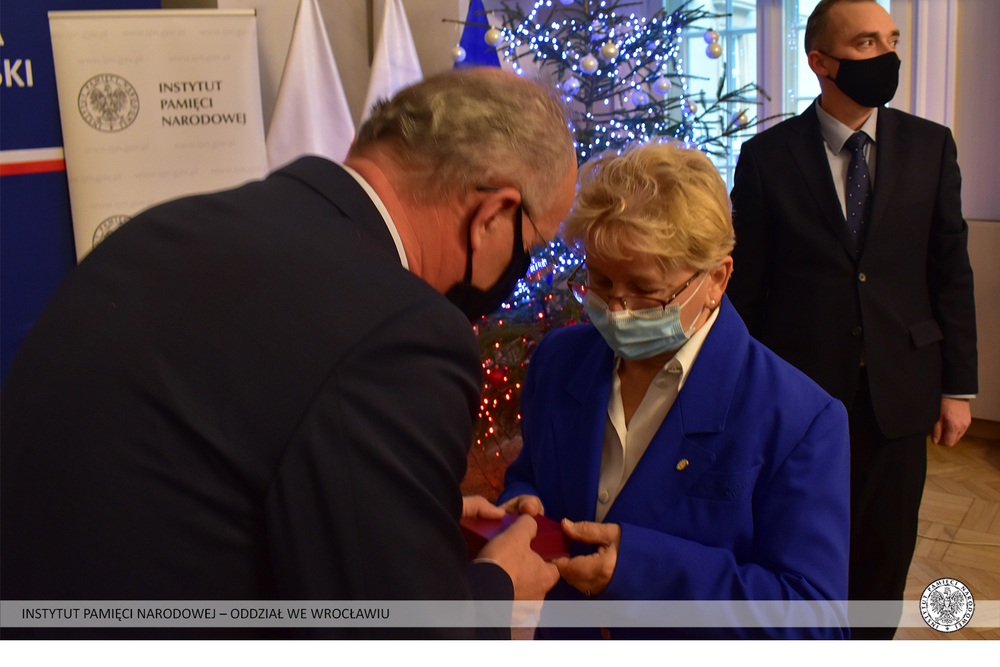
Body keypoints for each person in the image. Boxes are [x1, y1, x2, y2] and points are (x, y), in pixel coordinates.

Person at [0, 68, 577, 638]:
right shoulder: (402, 330)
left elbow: (208, 460)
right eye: (533, 244)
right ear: (493, 215)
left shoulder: (169, 227)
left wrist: (402, 509)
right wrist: (499, 587)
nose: (525, 264)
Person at [498, 142, 851, 639]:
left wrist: (640, 572)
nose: (616, 310)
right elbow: (530, 476)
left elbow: (816, 621)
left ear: (717, 280)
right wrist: (522, 504)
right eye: (600, 281)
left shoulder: (799, 419)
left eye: (644, 291)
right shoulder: (559, 360)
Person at [727, 0, 978, 640]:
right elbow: (746, 288)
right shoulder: (765, 159)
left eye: (891, 40)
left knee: (884, 550)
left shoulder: (931, 146)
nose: (886, 56)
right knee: (800, 541)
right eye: (867, 43)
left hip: (901, 388)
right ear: (820, 61)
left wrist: (958, 388)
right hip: (799, 391)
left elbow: (950, 273)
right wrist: (735, 391)